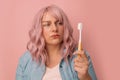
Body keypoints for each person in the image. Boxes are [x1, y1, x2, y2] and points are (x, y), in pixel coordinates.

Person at [16, 5, 97, 80]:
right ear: (39, 29)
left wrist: (85, 76)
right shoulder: (25, 60)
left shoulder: (80, 57)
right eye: (47, 24)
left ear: (65, 27)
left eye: (59, 23)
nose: (54, 28)